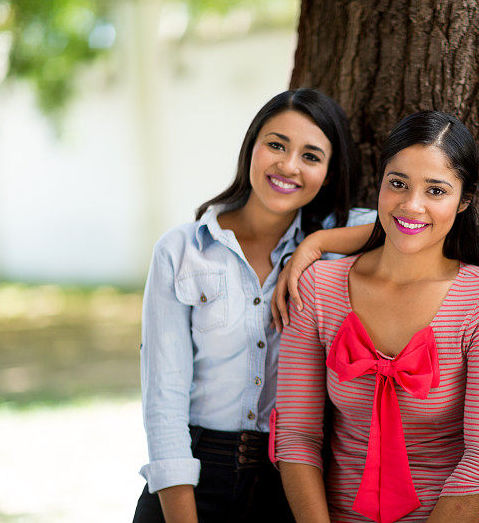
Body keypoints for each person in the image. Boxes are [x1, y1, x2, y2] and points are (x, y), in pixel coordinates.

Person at [132, 88, 377, 523]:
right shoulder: (182, 251)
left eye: (311, 156)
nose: (288, 165)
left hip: (290, 484)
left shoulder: (338, 245)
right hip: (190, 479)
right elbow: (163, 402)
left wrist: (315, 244)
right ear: (252, 147)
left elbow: (410, 223)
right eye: (276, 144)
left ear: (329, 170)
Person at [271, 111, 479, 523]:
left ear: (464, 201)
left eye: (436, 190)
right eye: (398, 184)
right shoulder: (318, 288)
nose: (411, 205)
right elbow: (296, 437)